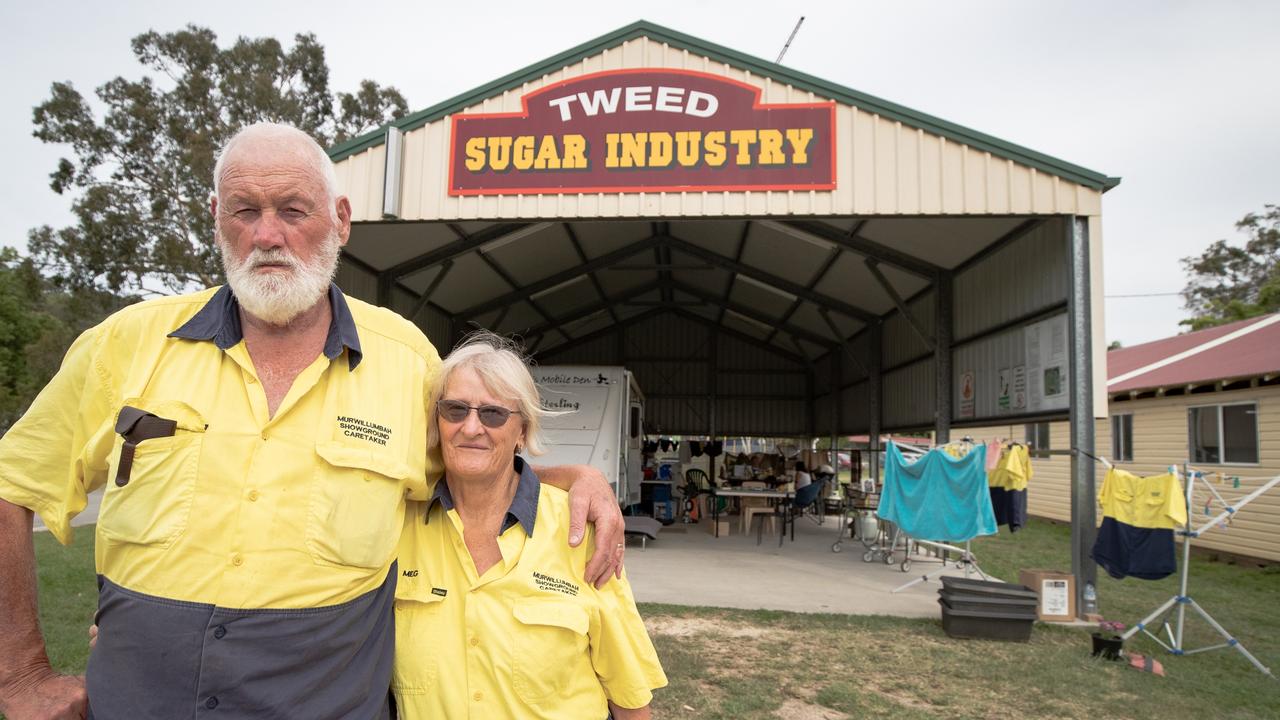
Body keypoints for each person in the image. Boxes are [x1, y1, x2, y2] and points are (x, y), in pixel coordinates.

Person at [0, 122, 624, 720]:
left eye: (293, 210)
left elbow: (472, 464)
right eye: (244, 210)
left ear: (341, 221)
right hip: (138, 703)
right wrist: (20, 674)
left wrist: (576, 476)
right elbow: (12, 484)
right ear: (216, 217)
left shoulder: (407, 362)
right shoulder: (127, 342)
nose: (267, 235)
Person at [393, 333, 665, 718]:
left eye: (493, 414)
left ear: (522, 431)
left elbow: (630, 702)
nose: (471, 428)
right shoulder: (399, 526)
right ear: (438, 421)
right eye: (455, 410)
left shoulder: (581, 533)